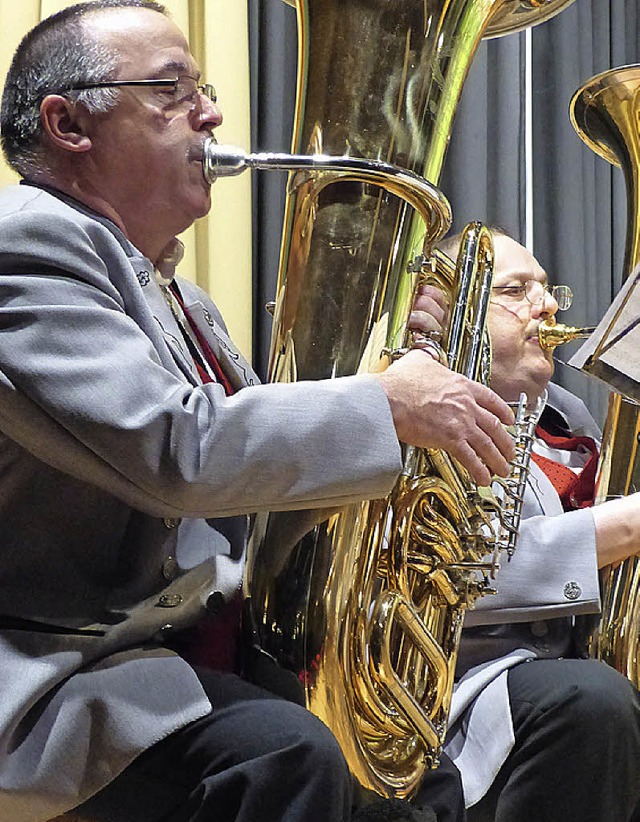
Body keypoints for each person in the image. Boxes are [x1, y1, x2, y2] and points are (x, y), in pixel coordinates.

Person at [0, 2, 518, 820]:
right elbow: (178, 452)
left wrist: (409, 410)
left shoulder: (185, 300)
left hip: (172, 653)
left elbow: (259, 495)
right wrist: (385, 403)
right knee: (288, 755)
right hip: (55, 675)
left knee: (411, 775)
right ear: (67, 124)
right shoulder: (24, 247)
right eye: (171, 91)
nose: (210, 113)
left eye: (204, 88)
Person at [430, 229, 640, 822]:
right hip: (467, 696)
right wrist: (625, 526)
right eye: (516, 291)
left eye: (546, 290)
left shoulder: (568, 416)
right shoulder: (423, 414)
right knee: (593, 703)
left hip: (570, 674)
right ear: (450, 308)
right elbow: (454, 570)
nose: (546, 306)